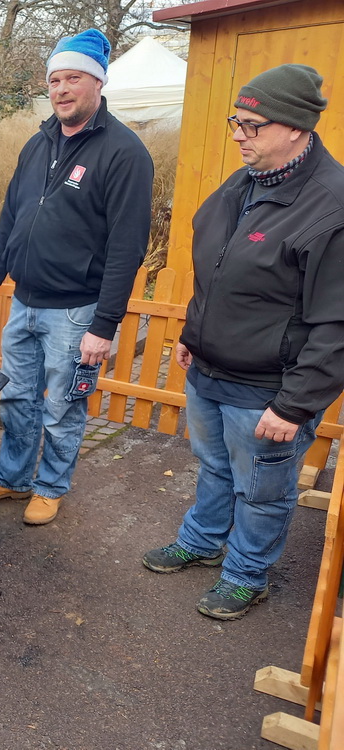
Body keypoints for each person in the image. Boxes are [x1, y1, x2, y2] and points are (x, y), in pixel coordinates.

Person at [142, 64, 344, 620]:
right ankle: (203, 542)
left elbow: (337, 325)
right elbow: (220, 268)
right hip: (209, 370)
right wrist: (193, 333)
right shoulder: (246, 181)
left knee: (262, 488)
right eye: (237, 121)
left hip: (267, 389)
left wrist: (295, 404)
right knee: (214, 467)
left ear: (297, 129)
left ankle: (247, 573)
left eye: (253, 125)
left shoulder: (332, 207)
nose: (239, 134)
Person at [0, 29, 153, 525]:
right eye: (54, 80)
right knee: (20, 398)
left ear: (97, 84)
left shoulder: (124, 153)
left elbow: (127, 248)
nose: (62, 89)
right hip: (24, 302)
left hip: (75, 311)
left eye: (73, 79)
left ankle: (50, 487)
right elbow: (11, 218)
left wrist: (104, 326)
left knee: (64, 408)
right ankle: (12, 478)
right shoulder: (37, 144)